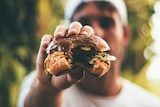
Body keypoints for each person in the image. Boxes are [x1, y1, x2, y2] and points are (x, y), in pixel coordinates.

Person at [17, 0, 160, 107]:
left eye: (106, 23)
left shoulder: (150, 104)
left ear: (125, 34)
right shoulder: (37, 86)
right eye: (84, 22)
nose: (96, 32)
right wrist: (48, 89)